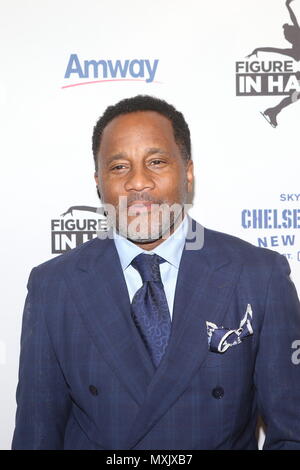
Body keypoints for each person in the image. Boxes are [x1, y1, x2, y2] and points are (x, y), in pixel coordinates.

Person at [12, 95, 300, 450]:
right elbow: (35, 435)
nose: (138, 182)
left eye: (157, 162)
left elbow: (292, 433)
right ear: (98, 181)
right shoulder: (54, 287)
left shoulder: (258, 276)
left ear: (188, 172)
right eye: (119, 167)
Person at [247, 0, 300, 127]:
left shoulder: (295, 46)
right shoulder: (294, 50)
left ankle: (274, 110)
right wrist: (258, 49)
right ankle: (274, 111)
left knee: (296, 95)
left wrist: (287, 6)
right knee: (296, 96)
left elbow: (293, 19)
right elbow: (274, 50)